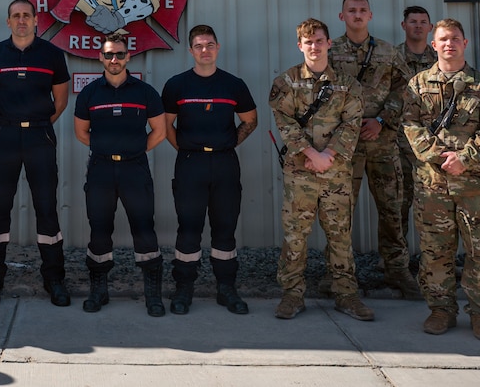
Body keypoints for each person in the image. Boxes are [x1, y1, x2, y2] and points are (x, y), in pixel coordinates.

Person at [401, 18, 480, 342]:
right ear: (434, 45)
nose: (449, 44)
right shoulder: (417, 85)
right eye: (443, 39)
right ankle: (440, 310)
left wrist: (465, 158)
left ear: (465, 43)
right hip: (433, 185)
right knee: (435, 252)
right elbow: (410, 126)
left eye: (455, 38)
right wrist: (440, 157)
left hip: (477, 187)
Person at [268, 18, 374, 322]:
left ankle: (346, 294)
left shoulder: (347, 84)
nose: (314, 46)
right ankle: (292, 295)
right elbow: (284, 121)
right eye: (308, 41)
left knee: (340, 235)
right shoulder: (285, 83)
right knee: (295, 236)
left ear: (329, 43)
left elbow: (352, 123)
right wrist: (309, 153)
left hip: (335, 171)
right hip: (300, 173)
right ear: (299, 46)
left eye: (319, 40)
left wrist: (329, 154)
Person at [0, 0, 72, 307]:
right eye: (15, 16)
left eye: (26, 15)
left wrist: (38, 124)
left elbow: (61, 101)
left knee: (46, 207)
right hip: (5, 134)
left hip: (40, 136)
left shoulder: (52, 55)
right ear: (8, 22)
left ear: (36, 20)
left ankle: (54, 279)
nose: (21, 20)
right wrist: (13, 124)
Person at [161, 24, 258, 315]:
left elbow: (250, 120)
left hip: (225, 163)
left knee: (225, 229)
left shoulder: (233, 85)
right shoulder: (177, 85)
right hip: (190, 164)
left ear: (218, 47)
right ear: (191, 50)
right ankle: (184, 288)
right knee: (188, 229)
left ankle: (226, 288)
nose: (205, 50)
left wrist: (227, 145)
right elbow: (166, 125)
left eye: (210, 45)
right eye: (200, 46)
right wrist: (187, 149)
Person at [74, 33, 168, 316]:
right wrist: (106, 149)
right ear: (100, 58)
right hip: (101, 169)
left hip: (134, 169)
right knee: (99, 231)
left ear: (128, 57)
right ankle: (98, 292)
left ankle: (153, 296)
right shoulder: (90, 93)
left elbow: (160, 132)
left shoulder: (145, 92)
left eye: (119, 54)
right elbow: (81, 132)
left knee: (144, 230)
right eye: (108, 55)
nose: (113, 59)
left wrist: (135, 151)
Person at [329, 0, 415, 296]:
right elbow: (321, 93)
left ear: (370, 15)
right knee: (339, 212)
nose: (357, 15)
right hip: (344, 145)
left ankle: (396, 271)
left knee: (392, 209)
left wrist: (381, 120)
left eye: (362, 10)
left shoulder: (388, 52)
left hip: (382, 140)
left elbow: (406, 88)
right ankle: (339, 275)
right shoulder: (330, 51)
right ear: (342, 17)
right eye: (351, 10)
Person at [396, 6, 437, 247]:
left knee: (433, 205)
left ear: (430, 28)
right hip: (397, 143)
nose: (418, 26)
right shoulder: (391, 58)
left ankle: (433, 261)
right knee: (397, 204)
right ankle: (395, 263)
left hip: (432, 145)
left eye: (423, 21)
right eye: (413, 21)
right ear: (404, 25)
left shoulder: (440, 60)